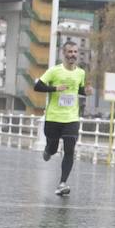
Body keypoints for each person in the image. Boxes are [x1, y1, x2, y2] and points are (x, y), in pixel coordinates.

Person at [34, 40, 88, 196]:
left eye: (75, 52)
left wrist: (87, 91)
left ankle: (62, 183)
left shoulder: (81, 73)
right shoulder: (54, 71)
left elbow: (80, 90)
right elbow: (37, 86)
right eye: (70, 52)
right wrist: (55, 88)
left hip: (71, 118)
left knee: (70, 149)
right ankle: (48, 149)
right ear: (64, 53)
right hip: (53, 117)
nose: (73, 55)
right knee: (53, 148)